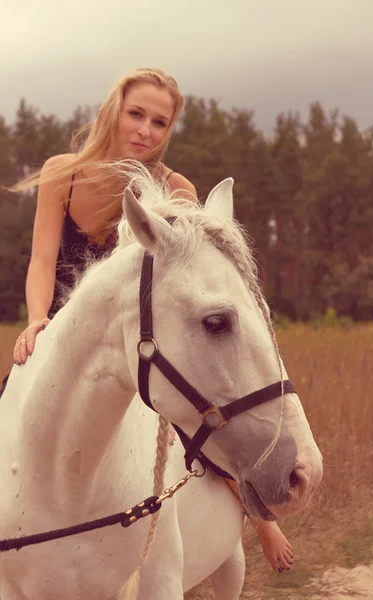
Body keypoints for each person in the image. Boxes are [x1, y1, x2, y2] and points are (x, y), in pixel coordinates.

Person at [7, 67, 293, 573]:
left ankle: (260, 519)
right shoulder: (63, 173)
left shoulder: (174, 188)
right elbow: (41, 261)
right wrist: (35, 321)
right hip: (64, 340)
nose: (144, 130)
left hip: (138, 343)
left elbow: (190, 279)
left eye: (159, 123)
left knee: (196, 431)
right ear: (114, 111)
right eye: (136, 114)